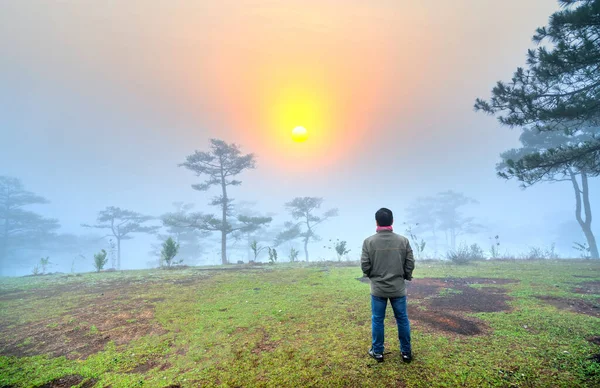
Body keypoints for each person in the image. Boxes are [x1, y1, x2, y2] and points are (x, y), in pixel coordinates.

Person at [361, 207, 415, 363]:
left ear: (376, 221)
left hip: (378, 289)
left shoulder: (368, 242)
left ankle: (377, 352)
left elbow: (365, 265)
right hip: (398, 288)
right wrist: (405, 275)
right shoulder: (403, 241)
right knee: (402, 319)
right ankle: (406, 352)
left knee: (377, 320)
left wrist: (372, 276)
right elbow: (410, 262)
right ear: (392, 221)